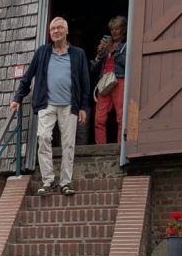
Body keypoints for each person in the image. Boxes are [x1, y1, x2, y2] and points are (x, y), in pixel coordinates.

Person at [10, 16, 90, 196]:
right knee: (44, 138)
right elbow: (28, 76)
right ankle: (48, 180)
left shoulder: (78, 54)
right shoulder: (42, 52)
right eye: (53, 28)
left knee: (68, 144)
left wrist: (84, 107)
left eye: (59, 28)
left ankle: (66, 182)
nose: (56, 31)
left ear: (66, 31)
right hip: (47, 104)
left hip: (70, 105)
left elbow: (85, 81)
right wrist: (18, 97)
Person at [91, 15, 128, 144]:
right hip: (104, 82)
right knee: (99, 119)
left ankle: (120, 146)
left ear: (123, 29)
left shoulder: (126, 45)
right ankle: (100, 147)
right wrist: (99, 55)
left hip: (119, 80)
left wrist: (113, 50)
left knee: (121, 117)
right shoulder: (106, 47)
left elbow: (127, 64)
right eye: (112, 29)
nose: (114, 32)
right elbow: (93, 70)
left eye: (117, 28)